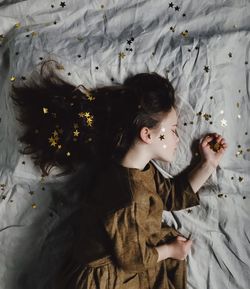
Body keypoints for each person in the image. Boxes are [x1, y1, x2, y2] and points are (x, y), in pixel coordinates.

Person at [11, 59, 227, 289]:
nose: (177, 139)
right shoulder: (127, 196)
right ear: (147, 135)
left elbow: (171, 195)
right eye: (173, 131)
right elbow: (133, 260)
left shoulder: (136, 168)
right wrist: (171, 250)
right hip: (104, 280)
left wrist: (207, 164)